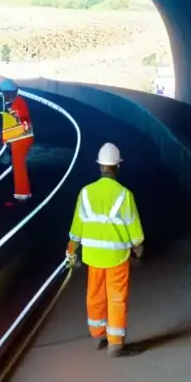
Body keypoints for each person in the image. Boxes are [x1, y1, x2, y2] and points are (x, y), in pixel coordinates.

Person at [65, 143, 144, 357]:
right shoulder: (124, 195)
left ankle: (98, 334)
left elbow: (76, 228)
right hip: (117, 257)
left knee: (95, 296)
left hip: (92, 256)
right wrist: (138, 248)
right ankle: (115, 344)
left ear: (100, 167)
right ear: (117, 167)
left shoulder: (86, 193)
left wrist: (71, 250)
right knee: (116, 298)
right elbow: (134, 229)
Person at [0, 79, 34, 202]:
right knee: (17, 163)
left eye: (4, 93)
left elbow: (17, 121)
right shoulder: (14, 102)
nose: (2, 95)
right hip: (18, 137)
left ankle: (22, 193)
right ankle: (22, 191)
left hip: (21, 138)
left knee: (19, 164)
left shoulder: (17, 104)